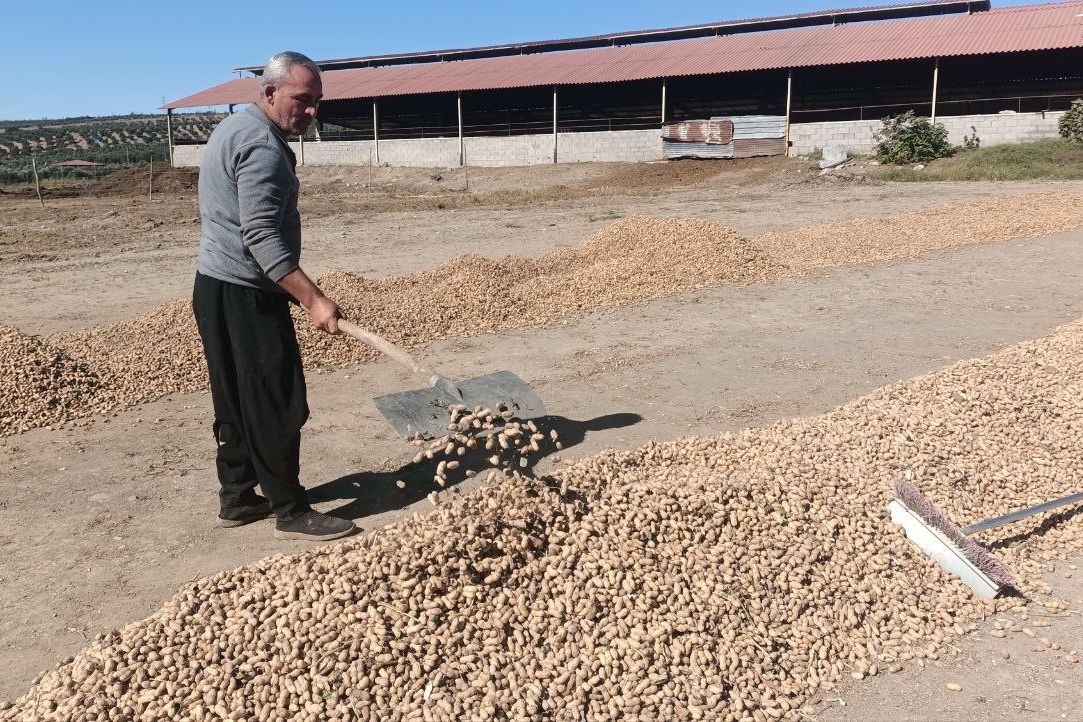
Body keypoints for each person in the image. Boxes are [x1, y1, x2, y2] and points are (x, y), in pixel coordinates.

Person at [191, 51, 356, 541]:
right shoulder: (262, 147)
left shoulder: (233, 128)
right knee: (277, 402)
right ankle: (290, 508)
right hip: (245, 293)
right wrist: (313, 299)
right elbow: (260, 236)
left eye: (316, 102)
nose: (311, 112)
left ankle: (238, 496)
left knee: (236, 397)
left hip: (215, 286)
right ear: (269, 92)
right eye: (302, 100)